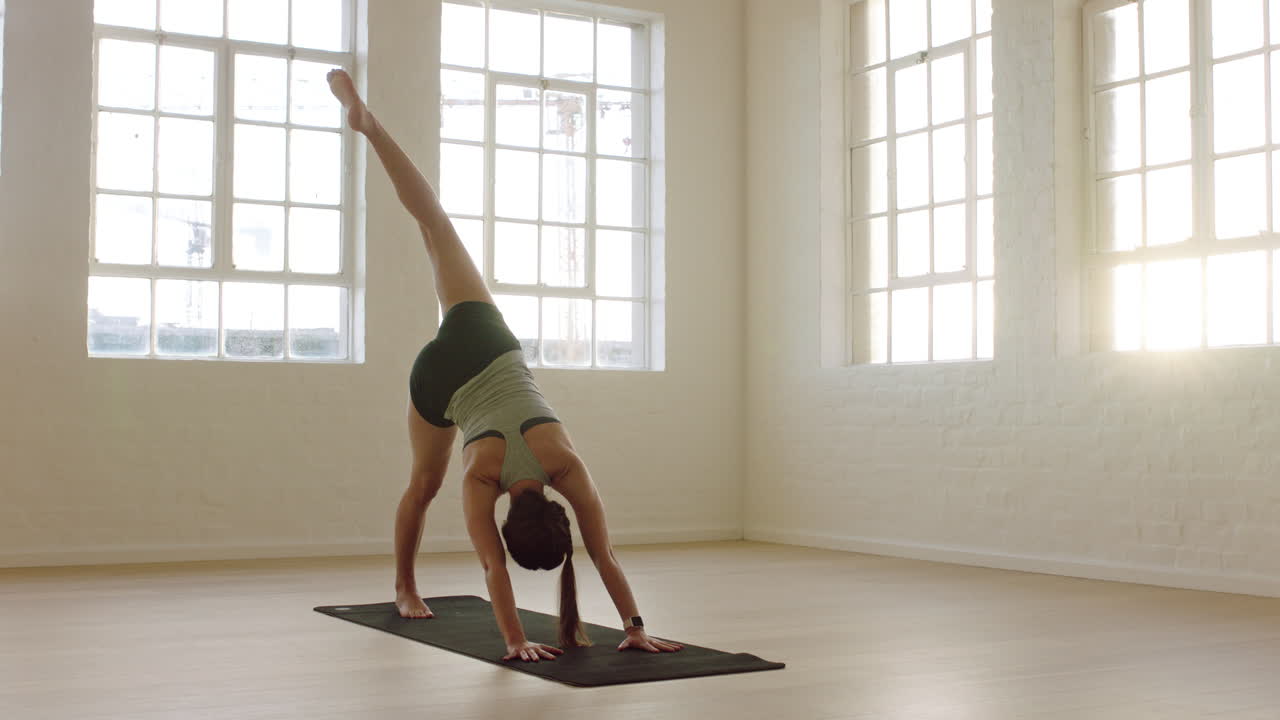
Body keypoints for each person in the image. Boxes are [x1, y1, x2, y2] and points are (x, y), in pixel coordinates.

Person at [326, 70, 682, 663]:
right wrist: (515, 642)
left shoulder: (565, 466)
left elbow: (603, 554)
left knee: (434, 223)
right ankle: (404, 587)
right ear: (509, 521)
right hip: (437, 382)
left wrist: (636, 624)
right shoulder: (480, 480)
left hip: (483, 340)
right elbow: (493, 567)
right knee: (421, 486)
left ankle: (369, 125)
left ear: (554, 513)